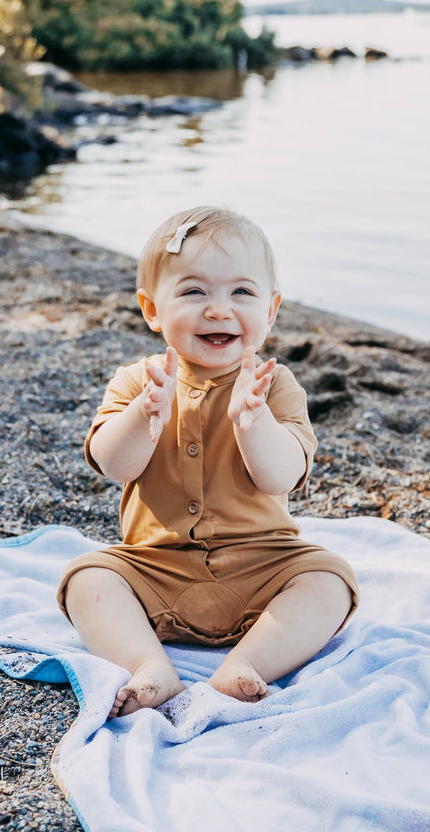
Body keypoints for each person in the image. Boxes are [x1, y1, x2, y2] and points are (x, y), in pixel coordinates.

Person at [57, 206, 359, 718]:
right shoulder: (138, 381)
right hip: (157, 568)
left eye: (241, 292)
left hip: (261, 567)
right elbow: (114, 465)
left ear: (271, 310)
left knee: (330, 582)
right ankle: (148, 665)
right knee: (87, 578)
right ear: (152, 309)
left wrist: (253, 423)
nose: (219, 310)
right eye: (194, 292)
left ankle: (246, 664)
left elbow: (281, 476)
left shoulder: (274, 387)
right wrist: (141, 416)